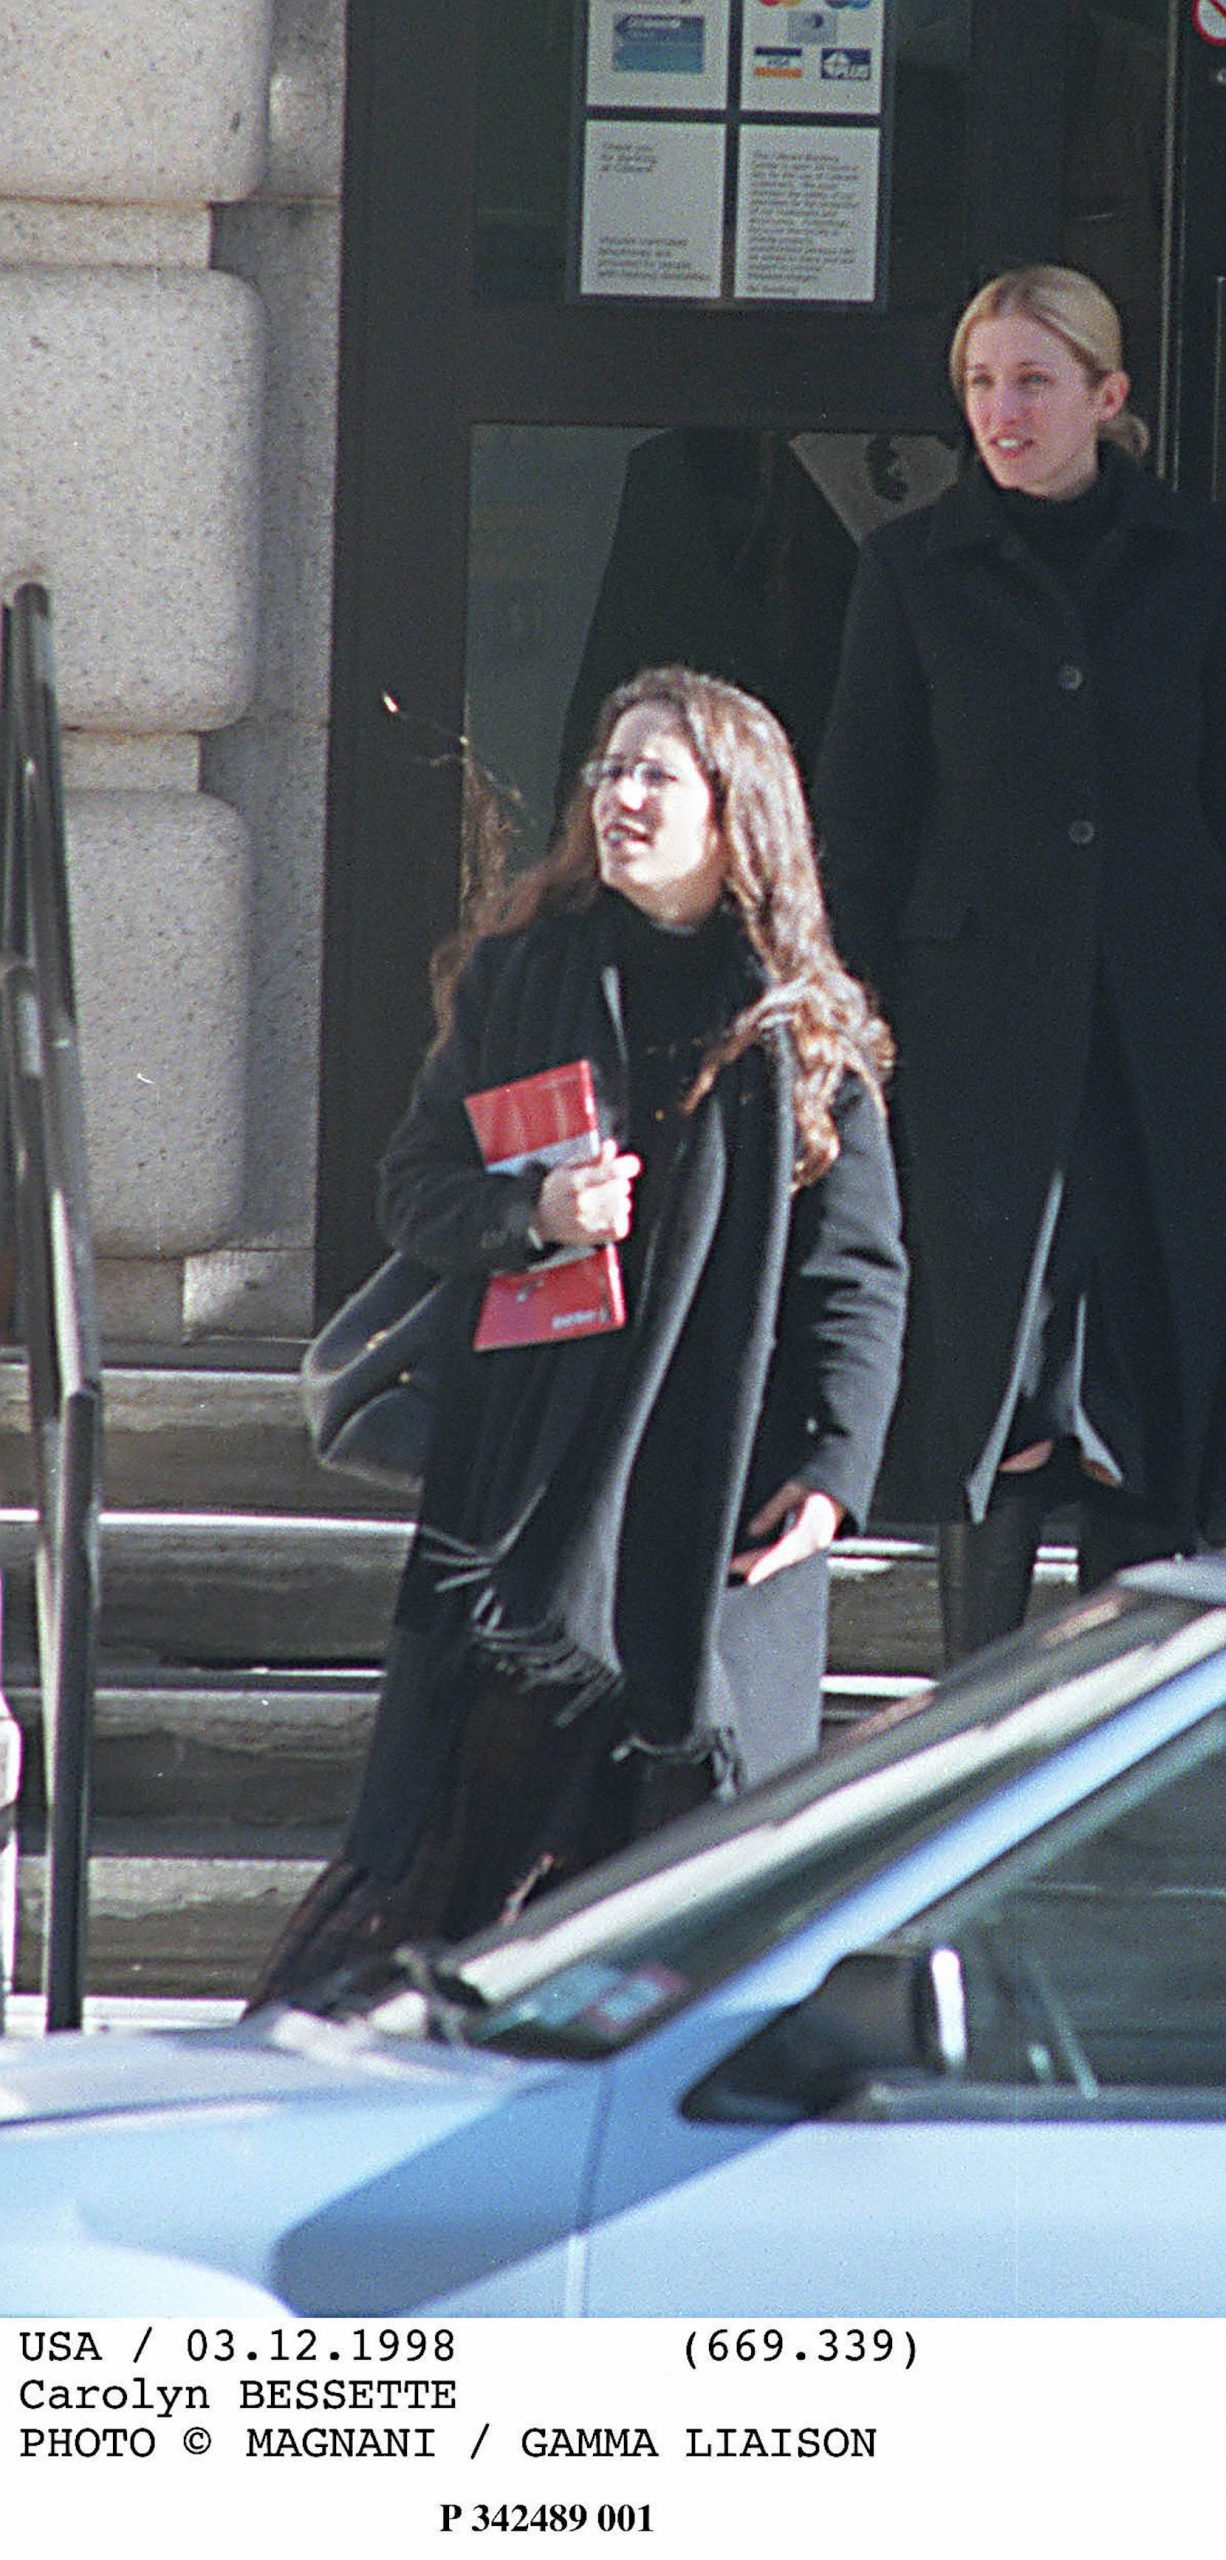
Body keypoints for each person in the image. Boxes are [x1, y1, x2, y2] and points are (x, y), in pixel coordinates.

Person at [251, 666, 907, 2003]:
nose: (620, 797)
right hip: (537, 1495)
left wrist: (836, 1471)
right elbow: (416, 1188)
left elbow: (858, 1271)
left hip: (719, 1496)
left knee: (702, 1881)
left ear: (736, 815)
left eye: (657, 773)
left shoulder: (799, 1022)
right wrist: (534, 1210)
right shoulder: (525, 974)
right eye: (610, 770)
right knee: (467, 1868)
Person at [812, 265, 1226, 1660]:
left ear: (1107, 397)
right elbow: (858, 826)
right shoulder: (908, 568)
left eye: (1032, 382)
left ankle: (1116, 1713)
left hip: (1171, 1033)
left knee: (1143, 1383)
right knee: (992, 1377)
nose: (1001, 411)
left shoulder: (1198, 563)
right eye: (981, 382)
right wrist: (839, 1038)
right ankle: (972, 1704)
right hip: (971, 1038)